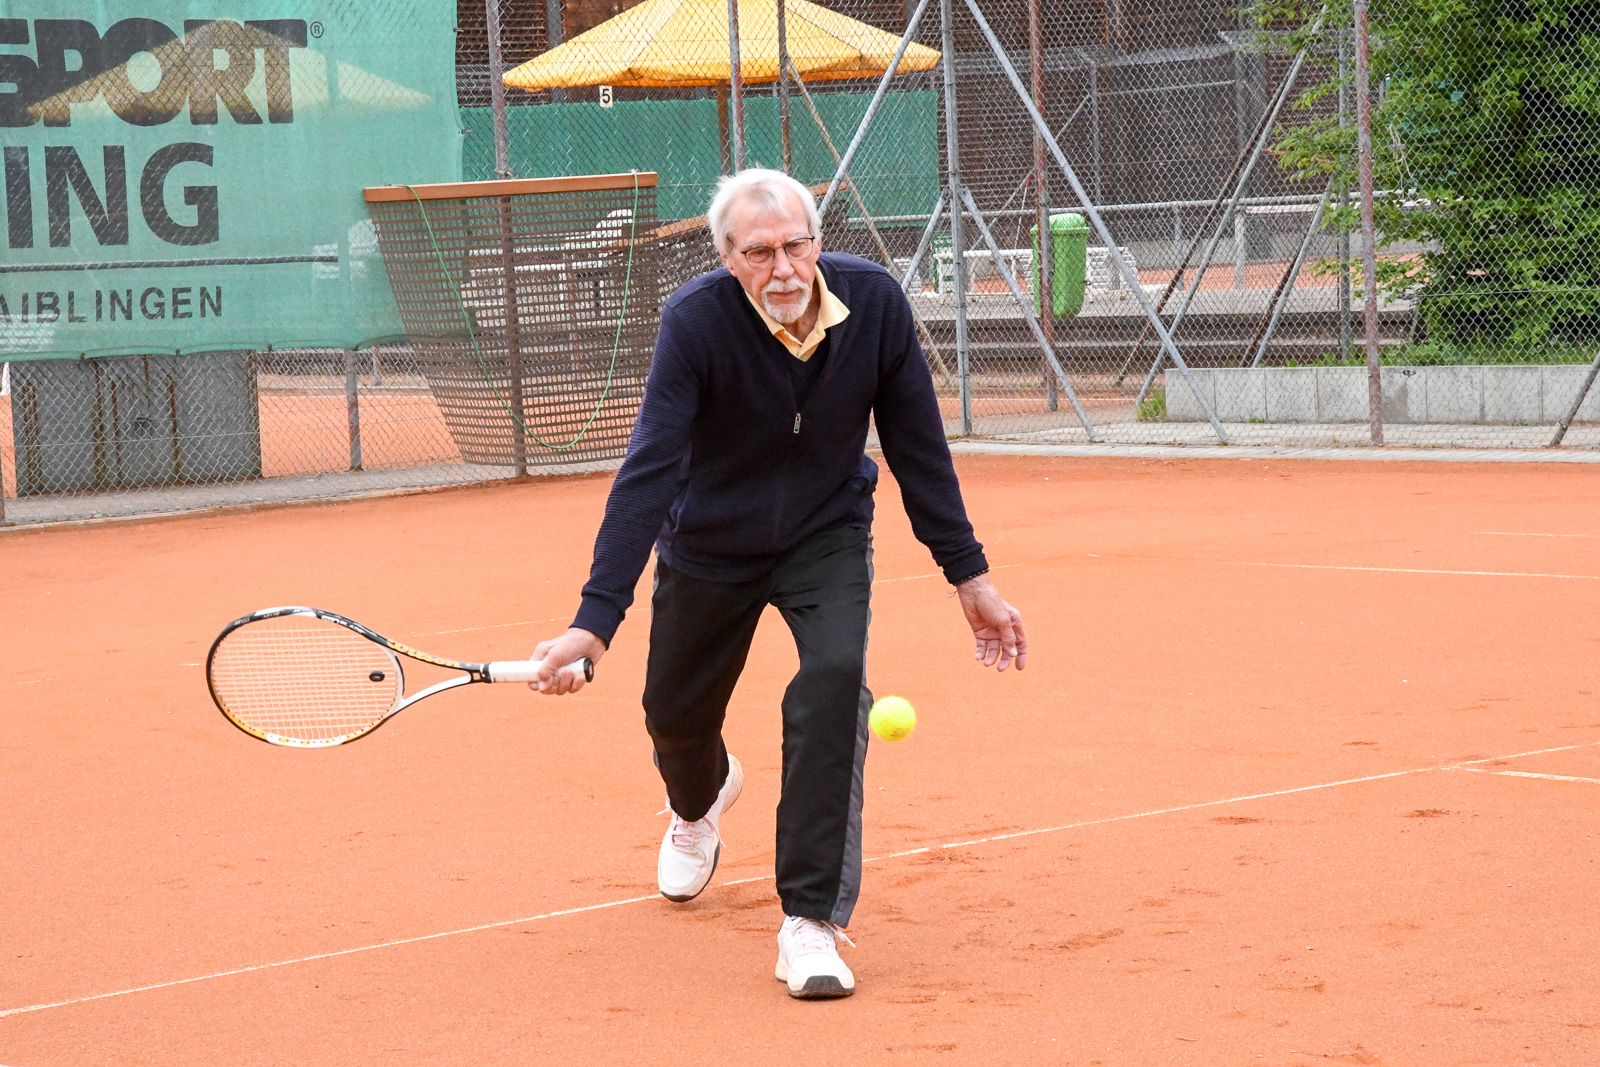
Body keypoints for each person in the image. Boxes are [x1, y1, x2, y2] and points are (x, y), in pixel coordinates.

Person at [528, 169, 1026, 999]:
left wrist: (968, 574)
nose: (784, 268)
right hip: (708, 541)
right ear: (727, 258)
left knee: (835, 682)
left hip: (825, 535)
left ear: (818, 243)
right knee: (674, 715)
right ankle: (699, 803)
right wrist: (595, 619)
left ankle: (810, 922)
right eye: (759, 252)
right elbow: (649, 468)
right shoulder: (695, 321)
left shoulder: (874, 306)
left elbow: (918, 445)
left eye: (796, 245)